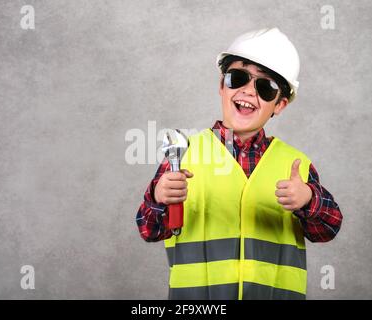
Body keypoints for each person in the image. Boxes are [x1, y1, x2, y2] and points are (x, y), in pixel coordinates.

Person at [136, 28, 343, 300]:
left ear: (279, 104)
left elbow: (327, 229)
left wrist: (308, 199)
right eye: (238, 78)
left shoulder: (297, 165)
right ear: (222, 86)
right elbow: (149, 229)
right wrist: (158, 198)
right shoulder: (181, 155)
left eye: (265, 87)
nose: (248, 90)